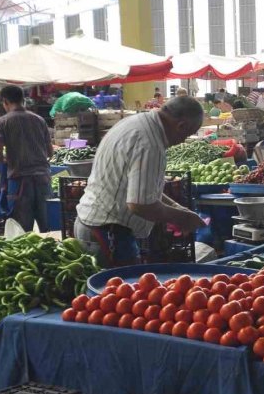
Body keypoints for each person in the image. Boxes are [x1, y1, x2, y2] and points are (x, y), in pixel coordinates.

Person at [75, 97, 205, 268]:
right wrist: (183, 218)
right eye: (186, 135)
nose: (182, 141)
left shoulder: (135, 122)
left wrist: (178, 208)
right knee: (116, 292)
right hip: (107, 233)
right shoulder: (150, 143)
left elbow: (143, 190)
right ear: (181, 126)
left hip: (91, 225)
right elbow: (140, 204)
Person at [0, 86, 53, 232]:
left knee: (22, 231)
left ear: (5, 101)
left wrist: (6, 159)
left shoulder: (2, 122)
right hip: (43, 180)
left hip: (20, 182)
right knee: (48, 229)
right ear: (23, 100)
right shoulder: (39, 120)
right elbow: (50, 152)